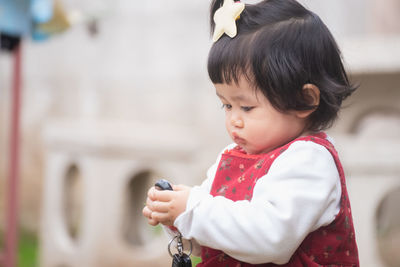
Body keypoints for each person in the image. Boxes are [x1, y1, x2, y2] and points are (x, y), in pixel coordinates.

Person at [143, 0, 359, 266]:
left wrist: (193, 210)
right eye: (226, 105)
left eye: (246, 106)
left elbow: (269, 239)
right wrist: (176, 217)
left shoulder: (309, 161)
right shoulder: (233, 157)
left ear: (305, 99)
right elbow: (220, 239)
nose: (234, 120)